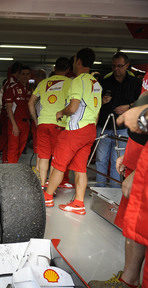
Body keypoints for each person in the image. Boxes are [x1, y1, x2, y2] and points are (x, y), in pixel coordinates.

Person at [87, 72, 148, 288]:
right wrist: (132, 155)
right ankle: (130, 282)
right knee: (134, 228)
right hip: (139, 150)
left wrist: (142, 169)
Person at [43, 48, 102, 214]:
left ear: (78, 61)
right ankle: (78, 203)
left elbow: (74, 107)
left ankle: (47, 197)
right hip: (90, 129)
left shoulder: (78, 81)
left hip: (75, 130)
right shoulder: (96, 83)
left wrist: (61, 112)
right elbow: (96, 112)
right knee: (81, 168)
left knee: (58, 165)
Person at [95, 52, 141, 187]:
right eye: (114, 66)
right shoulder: (104, 82)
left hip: (123, 128)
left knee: (118, 160)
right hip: (104, 125)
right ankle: (99, 187)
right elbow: (94, 103)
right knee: (100, 159)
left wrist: (128, 106)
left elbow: (143, 102)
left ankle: (114, 190)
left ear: (127, 65)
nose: (116, 69)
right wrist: (102, 101)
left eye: (120, 66)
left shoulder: (136, 83)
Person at [28, 57, 72, 187]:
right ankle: (51, 188)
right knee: (56, 157)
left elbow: (31, 102)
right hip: (60, 124)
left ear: (54, 68)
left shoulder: (44, 83)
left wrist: (36, 120)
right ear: (68, 69)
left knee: (43, 156)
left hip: (43, 123)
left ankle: (41, 184)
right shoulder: (71, 83)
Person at [3, 64, 32, 163]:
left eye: (27, 74)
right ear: (18, 75)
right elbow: (9, 108)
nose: (25, 76)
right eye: (23, 74)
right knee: (13, 148)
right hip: (15, 122)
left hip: (26, 123)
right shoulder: (12, 88)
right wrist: (14, 125)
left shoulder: (30, 90)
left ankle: (13, 165)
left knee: (21, 147)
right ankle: (11, 170)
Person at [0, 63, 23, 163]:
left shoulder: (9, 82)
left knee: (7, 139)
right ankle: (5, 160)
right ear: (18, 73)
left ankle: (5, 160)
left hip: (6, 114)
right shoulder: (11, 83)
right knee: (6, 139)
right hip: (7, 114)